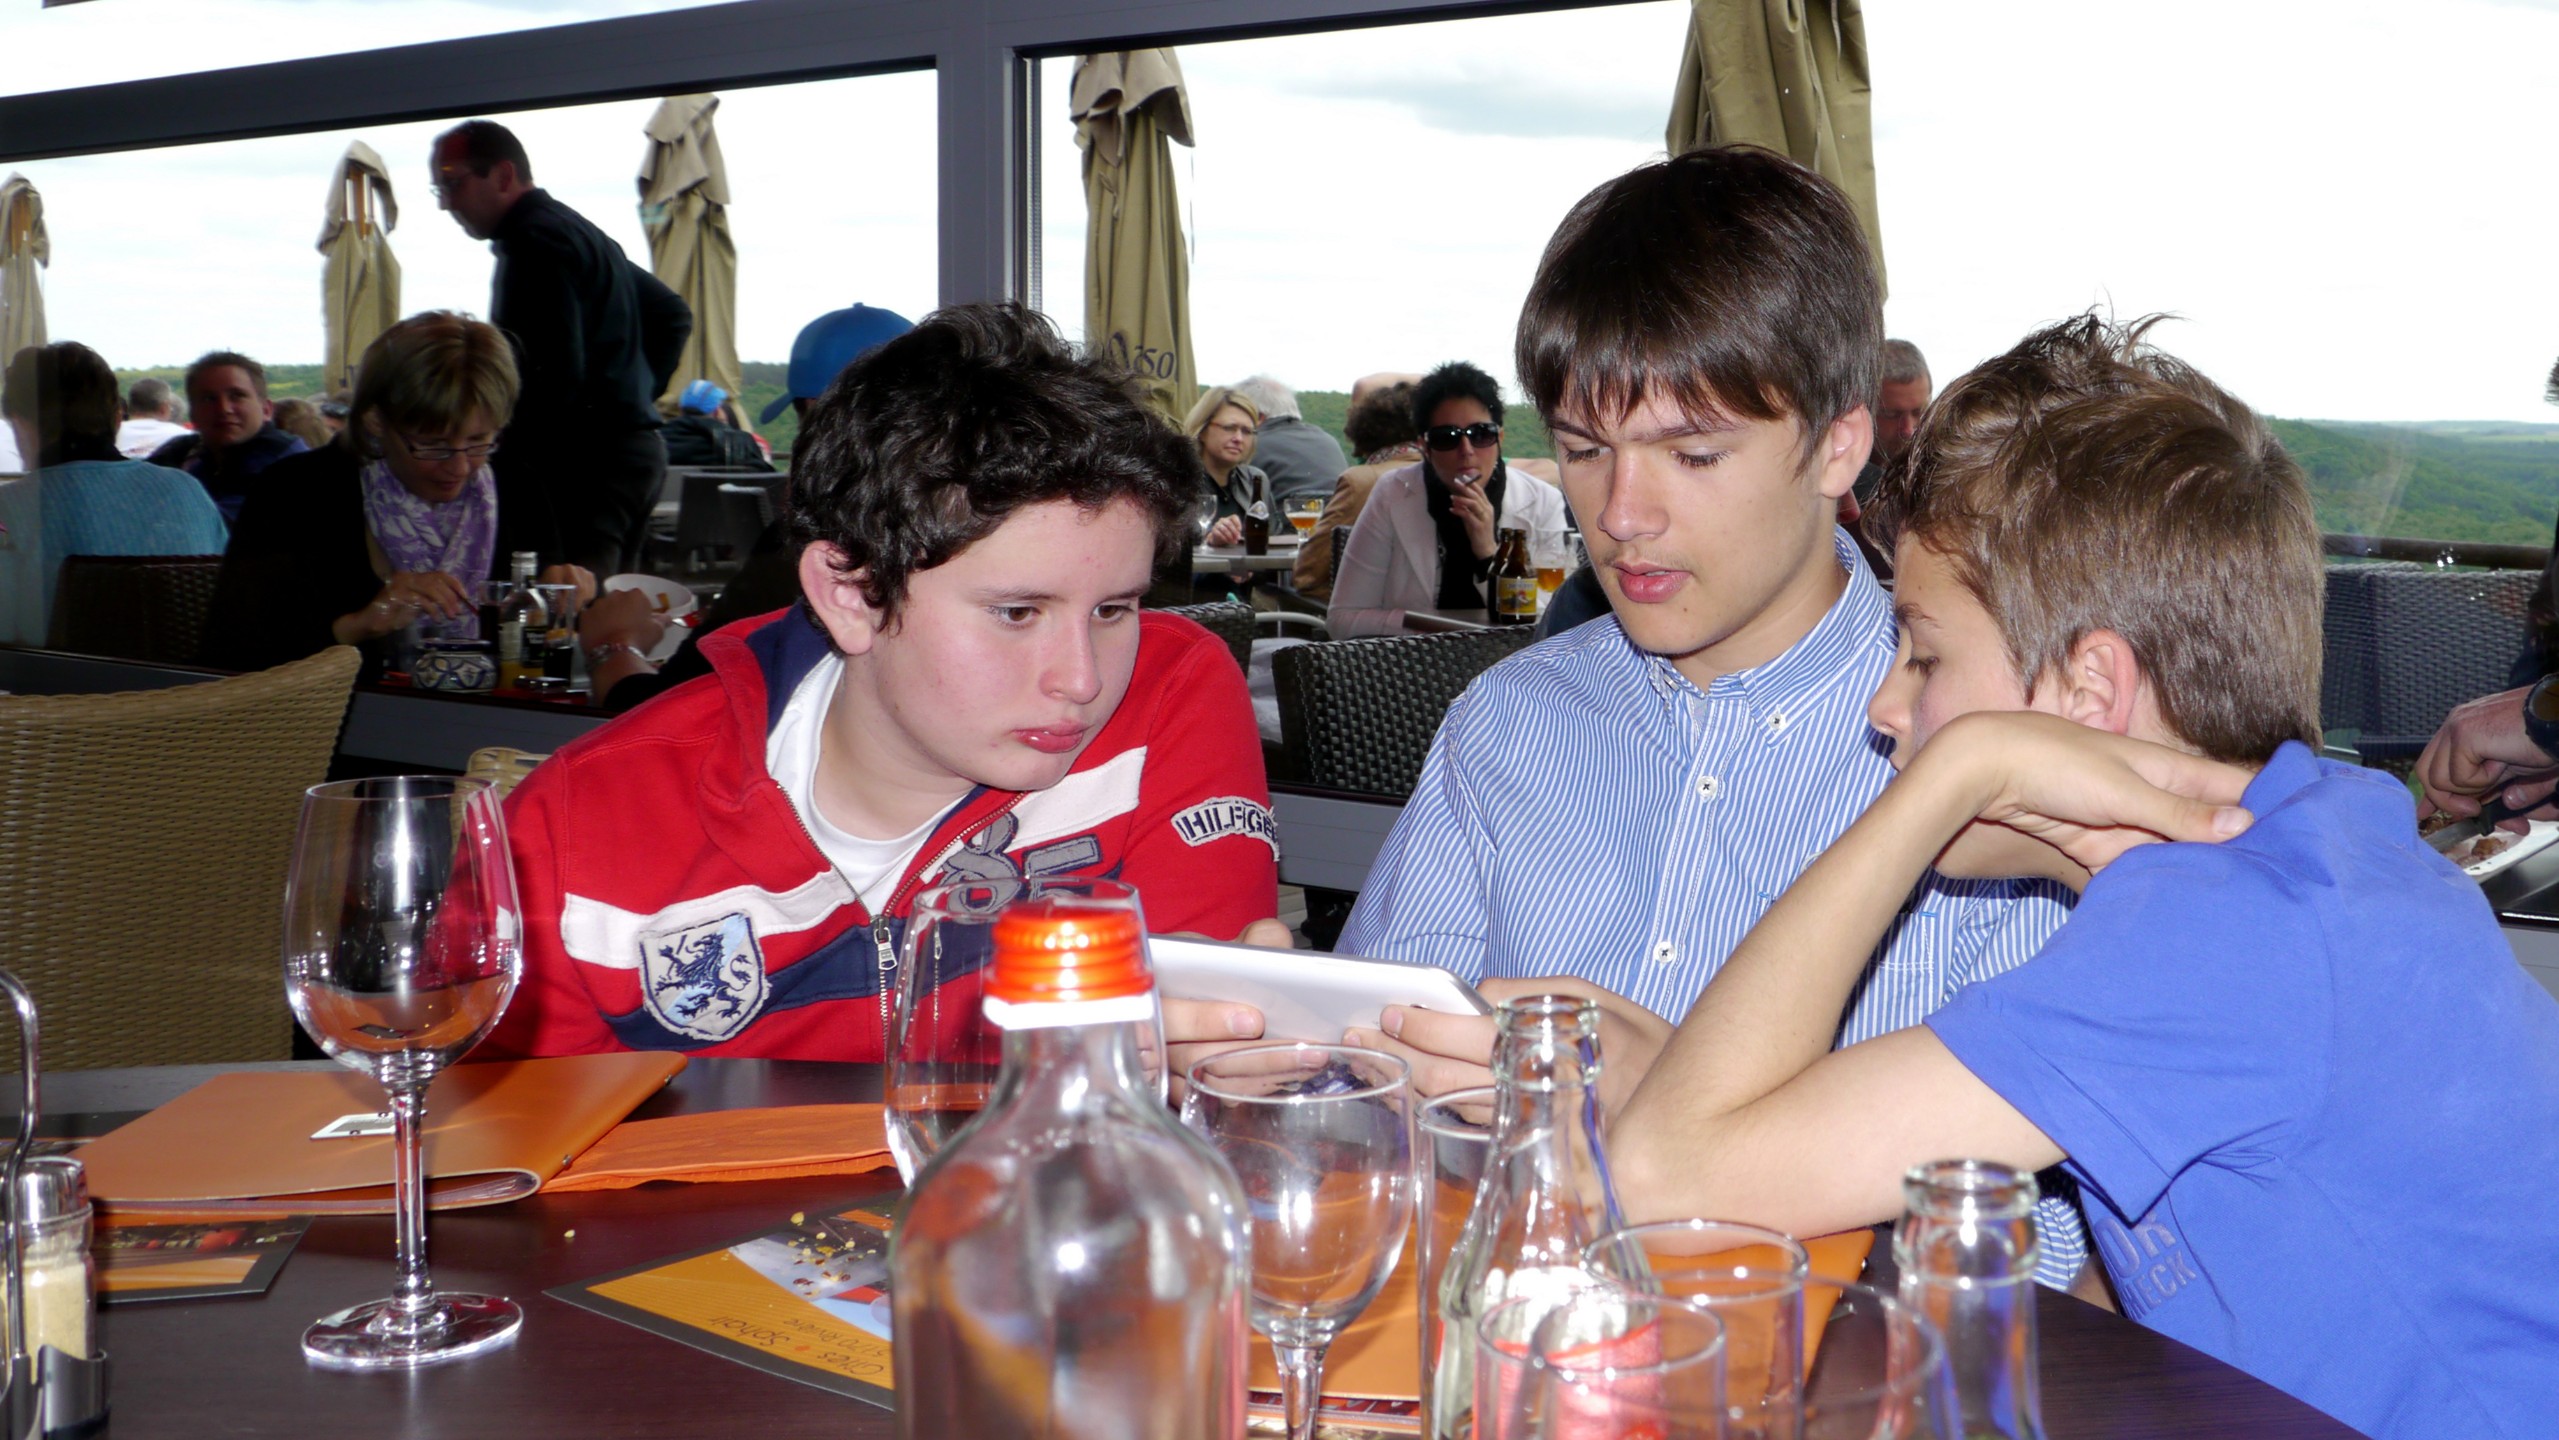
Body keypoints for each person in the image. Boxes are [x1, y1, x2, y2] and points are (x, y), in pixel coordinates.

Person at [1607, 314, 2559, 1440]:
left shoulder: (2212, 935)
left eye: (1923, 654)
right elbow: (2173, 1268)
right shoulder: (2314, 841)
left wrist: (1951, 776)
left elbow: (1665, 1180)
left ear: (2087, 692)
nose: (1886, 705)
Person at [1328, 149, 2083, 1285]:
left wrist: (1694, 1124)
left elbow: (2056, 1252)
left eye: (1692, 453)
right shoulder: (1507, 724)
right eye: (1582, 451)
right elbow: (1366, 1097)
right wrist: (1287, 1052)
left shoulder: (1984, 760)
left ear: (1838, 445)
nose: (1621, 515)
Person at [480, 303, 1288, 1062]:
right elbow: (495, 1135)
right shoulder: (566, 836)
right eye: (1016, 613)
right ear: (851, 596)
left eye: (1113, 609)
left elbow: (1192, 1052)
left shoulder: (1169, 692)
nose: (1082, 679)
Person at [579, 306, 919, 712]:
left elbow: (665, 714)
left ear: (818, 416)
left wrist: (613, 645)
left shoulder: (810, 550)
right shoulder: (950, 542)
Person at [431, 119, 692, 576]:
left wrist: (504, 450)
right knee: (607, 600)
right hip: (636, 455)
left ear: (504, 176)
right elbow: (670, 313)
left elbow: (548, 377)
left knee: (567, 603)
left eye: (454, 183)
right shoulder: (582, 234)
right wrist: (629, 402)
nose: (446, 203)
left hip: (580, 467)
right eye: (440, 189)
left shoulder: (533, 243)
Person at [204, 312, 523, 680]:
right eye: (433, 445)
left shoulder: (514, 488)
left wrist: (562, 600)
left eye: (479, 441)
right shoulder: (294, 492)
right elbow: (229, 654)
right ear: (376, 421)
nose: (461, 467)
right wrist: (357, 627)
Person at [0, 342, 228, 641]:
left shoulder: (9, 508)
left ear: (19, 421)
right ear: (117, 418)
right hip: (188, 668)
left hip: (56, 670)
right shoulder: (187, 490)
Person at [1325, 360, 1568, 638]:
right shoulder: (1393, 494)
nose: (1466, 450)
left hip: (1510, 659)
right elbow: (1342, 619)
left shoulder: (1542, 501)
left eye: (1481, 434)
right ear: (1425, 448)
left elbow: (1554, 624)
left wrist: (1489, 552)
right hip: (1413, 658)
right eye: (1447, 437)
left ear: (1499, 438)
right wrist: (1424, 627)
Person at [145, 351, 308, 524]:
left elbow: (218, 526)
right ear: (192, 414)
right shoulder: (185, 451)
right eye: (209, 399)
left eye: (237, 396)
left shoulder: (287, 461)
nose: (224, 408)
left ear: (266, 409)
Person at [1292, 380, 1419, 601]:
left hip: (1369, 616)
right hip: (1440, 617)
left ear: (1363, 432)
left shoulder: (1361, 481)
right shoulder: (1448, 475)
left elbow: (1308, 573)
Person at [1229, 374, 1347, 505]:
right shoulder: (1328, 440)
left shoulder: (1252, 445)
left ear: (1257, 416)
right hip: (1339, 516)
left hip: (1286, 517)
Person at [660, 380, 773, 471]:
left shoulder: (660, 439)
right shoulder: (740, 443)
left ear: (680, 409)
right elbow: (767, 479)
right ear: (717, 411)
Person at [115, 377, 189, 459]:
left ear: (130, 407)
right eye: (170, 407)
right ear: (163, 408)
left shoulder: (112, 434)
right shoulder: (185, 437)